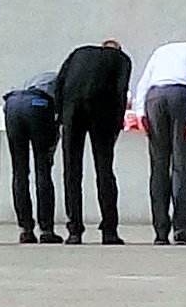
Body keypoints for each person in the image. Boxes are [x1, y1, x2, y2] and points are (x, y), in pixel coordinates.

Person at [136, 34, 186, 248]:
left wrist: (139, 113)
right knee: (181, 166)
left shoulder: (162, 50)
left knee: (158, 166)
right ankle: (181, 230)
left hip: (155, 97)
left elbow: (144, 81)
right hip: (182, 96)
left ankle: (160, 232)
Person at [50, 36, 132, 245]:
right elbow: (120, 91)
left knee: (72, 170)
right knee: (104, 170)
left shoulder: (78, 52)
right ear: (117, 48)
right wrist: (117, 123)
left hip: (72, 110)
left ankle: (74, 231)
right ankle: (109, 231)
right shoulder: (121, 59)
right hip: (101, 112)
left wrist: (60, 115)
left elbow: (59, 83)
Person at [0, 62, 63, 244]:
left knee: (19, 172)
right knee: (42, 170)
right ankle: (46, 230)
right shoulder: (68, 83)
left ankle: (26, 229)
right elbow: (61, 117)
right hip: (37, 104)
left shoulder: (43, 77)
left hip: (12, 104)